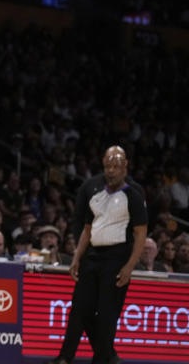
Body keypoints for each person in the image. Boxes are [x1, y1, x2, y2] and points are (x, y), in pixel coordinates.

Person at [48, 146, 147, 364]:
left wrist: (130, 265)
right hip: (92, 255)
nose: (111, 170)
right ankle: (68, 357)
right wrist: (76, 257)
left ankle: (104, 358)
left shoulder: (135, 193)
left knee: (107, 314)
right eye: (108, 166)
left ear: (125, 166)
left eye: (116, 166)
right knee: (80, 308)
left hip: (118, 256)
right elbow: (85, 227)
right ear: (103, 164)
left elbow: (141, 233)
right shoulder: (92, 188)